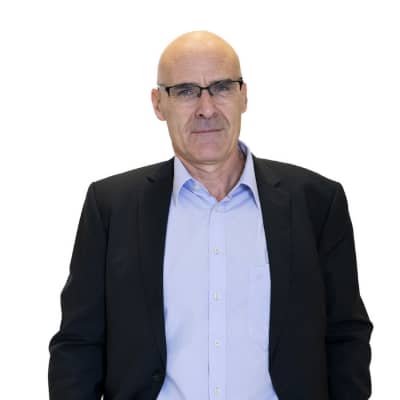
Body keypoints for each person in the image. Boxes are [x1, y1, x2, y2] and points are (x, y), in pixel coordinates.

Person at [48, 31, 373, 400]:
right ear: (158, 104)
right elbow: (78, 346)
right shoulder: (111, 207)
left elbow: (346, 336)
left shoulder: (317, 203)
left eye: (221, 87)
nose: (206, 108)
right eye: (185, 91)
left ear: (244, 95)